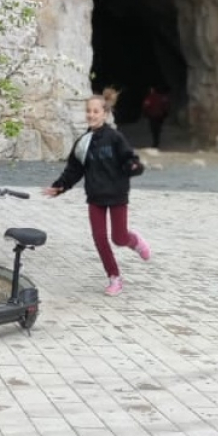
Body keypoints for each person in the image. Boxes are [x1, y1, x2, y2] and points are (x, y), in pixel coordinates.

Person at [42, 88, 150, 296]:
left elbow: (130, 159)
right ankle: (114, 277)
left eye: (95, 111)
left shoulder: (115, 138)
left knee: (118, 238)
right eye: (88, 111)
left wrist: (133, 166)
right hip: (95, 197)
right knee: (99, 238)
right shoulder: (83, 143)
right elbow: (74, 169)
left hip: (117, 195)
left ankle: (134, 241)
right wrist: (59, 187)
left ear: (105, 113)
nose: (91, 115)